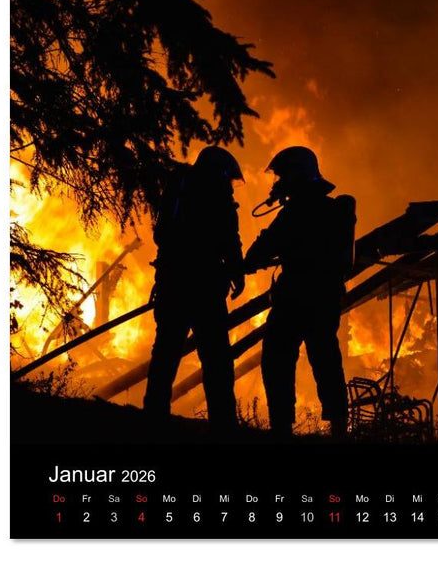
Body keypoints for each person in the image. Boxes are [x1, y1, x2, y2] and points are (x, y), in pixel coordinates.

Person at [244, 146, 355, 436]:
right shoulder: (331, 209)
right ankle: (339, 427)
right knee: (326, 360)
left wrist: (248, 262)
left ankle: (282, 425)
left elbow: (265, 246)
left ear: (298, 175)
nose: (278, 182)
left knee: (277, 360)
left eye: (283, 175)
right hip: (325, 298)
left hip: (296, 298)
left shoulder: (298, 210)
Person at [143, 146, 245, 431]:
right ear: (220, 173)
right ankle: (223, 423)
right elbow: (230, 240)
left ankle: (153, 414)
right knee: (216, 359)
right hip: (206, 289)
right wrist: (237, 273)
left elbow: (161, 235)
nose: (229, 185)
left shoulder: (179, 190)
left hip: (173, 282)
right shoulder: (219, 199)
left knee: (165, 351)